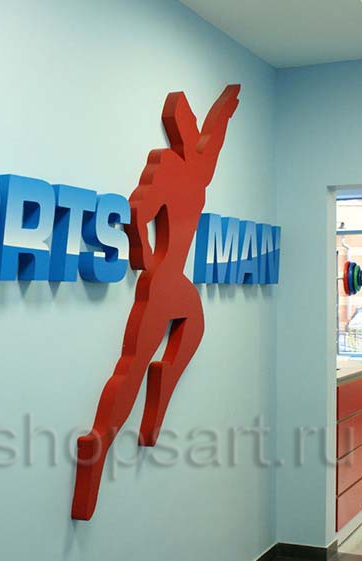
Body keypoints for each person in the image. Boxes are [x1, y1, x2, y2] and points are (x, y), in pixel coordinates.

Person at [72, 85, 240, 520]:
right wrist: (141, 255)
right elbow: (136, 213)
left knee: (189, 328)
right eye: (191, 120)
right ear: (181, 125)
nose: (195, 128)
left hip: (174, 281)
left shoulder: (194, 171)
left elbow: (214, 139)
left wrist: (224, 109)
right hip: (164, 280)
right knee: (132, 365)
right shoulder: (168, 168)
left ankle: (151, 419)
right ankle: (101, 440)